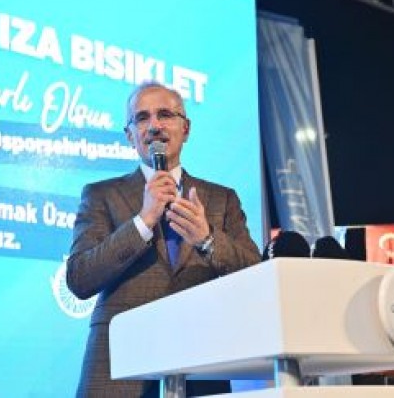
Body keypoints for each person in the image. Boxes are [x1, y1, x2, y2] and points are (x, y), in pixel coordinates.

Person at [66, 81, 261, 397]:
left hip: (202, 362)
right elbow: (80, 278)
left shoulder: (221, 199)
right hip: (119, 366)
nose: (154, 125)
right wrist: (142, 222)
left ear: (186, 129)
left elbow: (255, 276)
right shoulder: (101, 195)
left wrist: (208, 239)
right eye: (142, 118)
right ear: (130, 136)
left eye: (165, 115)